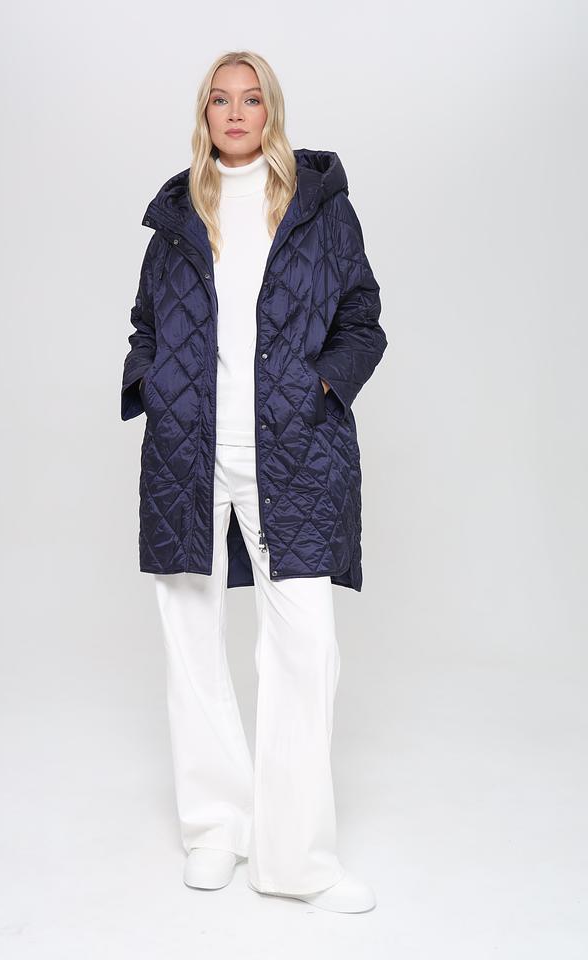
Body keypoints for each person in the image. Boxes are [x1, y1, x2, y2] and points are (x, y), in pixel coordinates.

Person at [120, 50, 387, 914]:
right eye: (219, 100)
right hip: (189, 453)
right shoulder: (176, 216)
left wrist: (321, 389)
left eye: (251, 99)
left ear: (272, 111)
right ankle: (216, 828)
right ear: (204, 114)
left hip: (294, 451)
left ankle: (296, 858)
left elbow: (363, 321)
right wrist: (152, 383)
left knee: (303, 648)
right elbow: (146, 324)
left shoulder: (319, 209)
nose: (235, 114)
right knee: (190, 640)